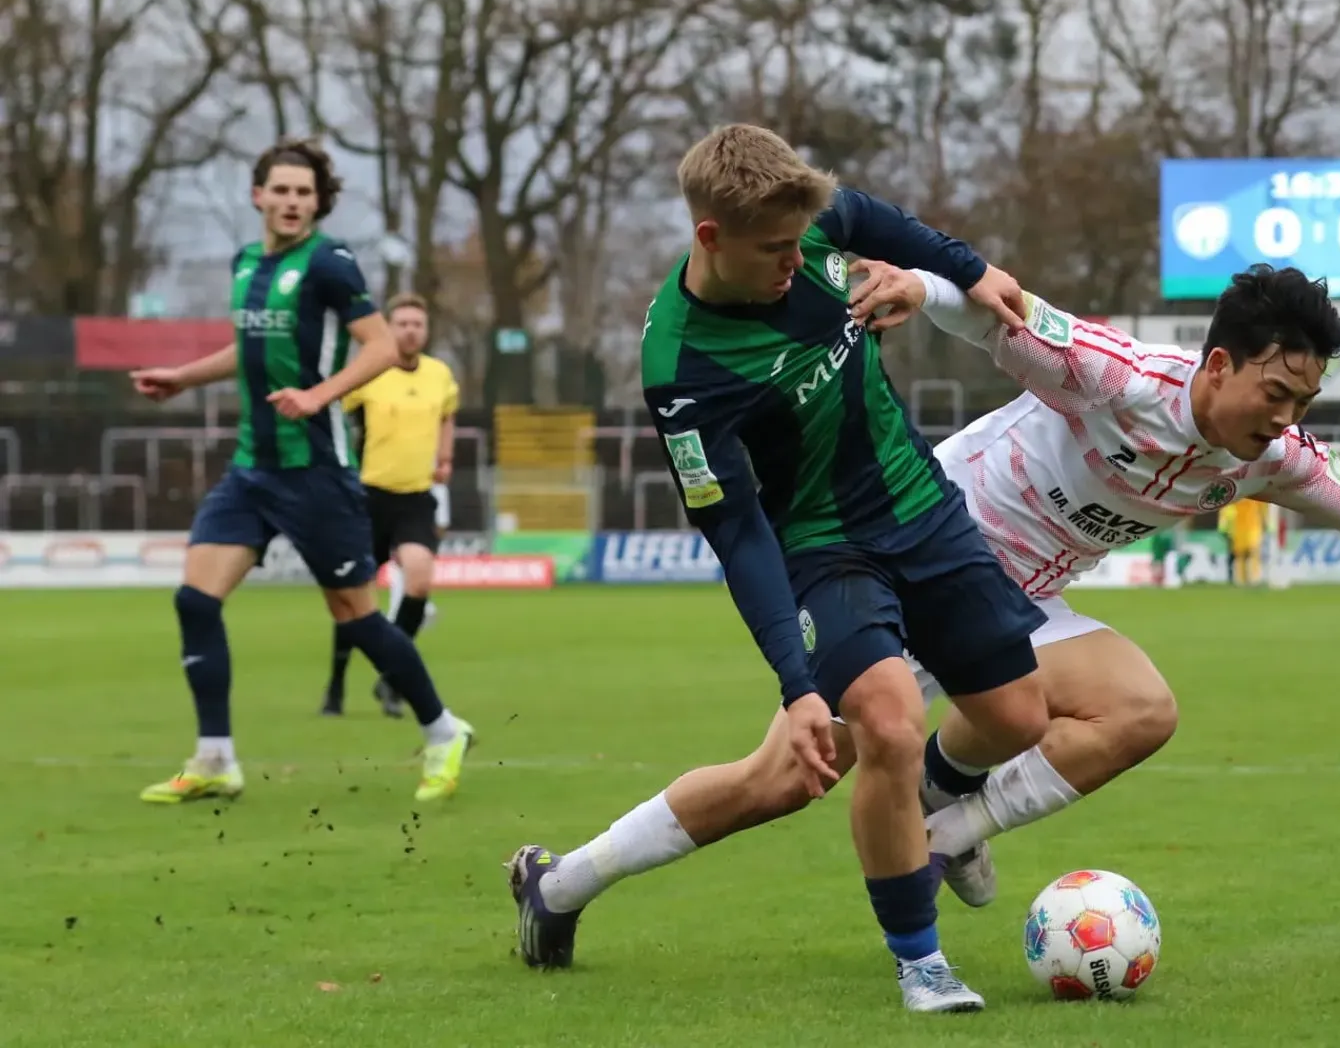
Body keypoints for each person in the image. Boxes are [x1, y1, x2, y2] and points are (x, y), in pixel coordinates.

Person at [503, 263, 1340, 972]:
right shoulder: (1122, 379)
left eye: (1303, 401)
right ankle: (560, 886)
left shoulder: (1266, 456)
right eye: (1276, 390)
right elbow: (1003, 313)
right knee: (785, 777)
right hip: (911, 556)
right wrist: (922, 284)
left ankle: (951, 827)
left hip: (1018, 603)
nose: (1287, 418)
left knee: (1139, 709)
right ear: (1220, 365)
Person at [508, 125, 1049, 1013]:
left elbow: (878, 217)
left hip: (921, 502)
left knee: (1018, 716)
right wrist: (797, 684)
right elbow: (737, 529)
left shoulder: (806, 224)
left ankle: (919, 812)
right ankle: (921, 961)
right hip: (820, 546)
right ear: (709, 237)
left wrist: (968, 272)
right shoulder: (680, 368)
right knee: (886, 723)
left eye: (805, 242)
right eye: (776, 251)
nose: (799, 262)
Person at [129, 137, 474, 804]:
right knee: (194, 600)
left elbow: (377, 346)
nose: (291, 202)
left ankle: (441, 731)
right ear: (257, 195)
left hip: (316, 471)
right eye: (280, 190)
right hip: (251, 470)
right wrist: (184, 378)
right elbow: (249, 346)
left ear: (318, 203)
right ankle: (215, 759)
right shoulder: (246, 263)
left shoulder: (331, 263)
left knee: (357, 618)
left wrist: (320, 397)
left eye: (303, 193)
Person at [321, 293, 460, 718]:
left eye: (417, 324)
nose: (410, 330)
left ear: (426, 330)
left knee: (418, 582)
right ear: (389, 329)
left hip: (416, 498)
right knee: (352, 596)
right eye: (401, 323)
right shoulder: (369, 372)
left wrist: (446, 456)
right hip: (368, 497)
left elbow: (447, 416)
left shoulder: (440, 375)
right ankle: (337, 686)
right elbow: (333, 413)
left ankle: (391, 677)